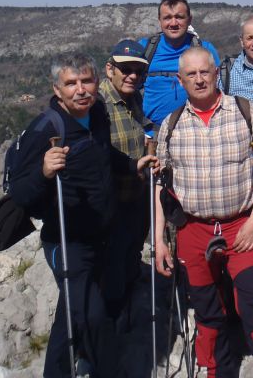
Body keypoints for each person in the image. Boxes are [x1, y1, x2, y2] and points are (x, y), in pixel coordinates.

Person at [7, 52, 156, 378]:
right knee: (94, 316)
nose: (81, 90)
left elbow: (103, 154)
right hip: (66, 241)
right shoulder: (46, 129)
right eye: (71, 83)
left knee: (70, 318)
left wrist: (132, 165)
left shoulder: (97, 113)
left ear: (96, 82)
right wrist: (44, 172)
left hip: (103, 234)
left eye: (86, 81)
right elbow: (19, 193)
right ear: (57, 90)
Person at [153, 47, 253, 378]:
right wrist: (159, 238)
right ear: (179, 80)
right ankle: (218, 372)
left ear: (216, 73)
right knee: (207, 309)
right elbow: (161, 186)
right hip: (193, 229)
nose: (199, 79)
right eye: (191, 74)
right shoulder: (170, 126)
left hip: (242, 223)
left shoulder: (245, 112)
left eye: (205, 72)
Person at [97, 39, 155, 323]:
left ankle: (128, 304)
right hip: (112, 201)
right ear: (110, 69)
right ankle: (112, 321)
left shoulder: (135, 99)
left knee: (132, 251)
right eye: (125, 68)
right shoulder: (98, 105)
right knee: (113, 263)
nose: (132, 75)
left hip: (136, 195)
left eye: (138, 70)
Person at [138, 0, 220, 125]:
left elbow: (220, 89)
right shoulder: (145, 49)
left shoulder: (205, 50)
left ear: (189, 19)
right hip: (152, 136)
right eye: (167, 18)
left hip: (194, 133)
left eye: (179, 17)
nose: (173, 23)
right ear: (159, 20)